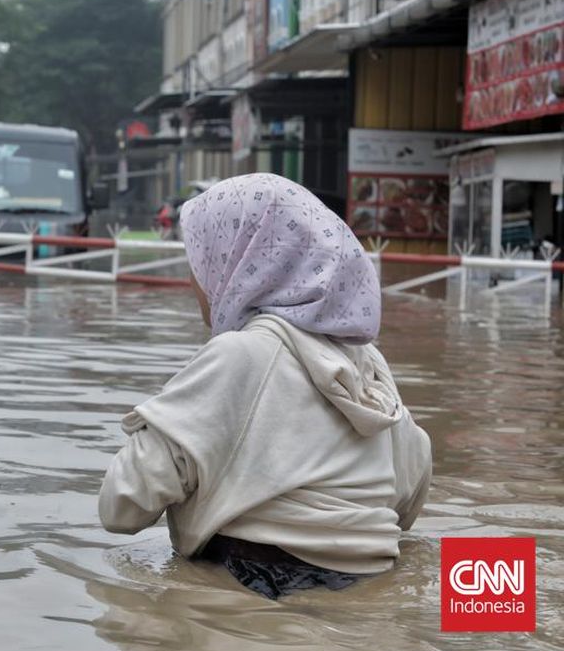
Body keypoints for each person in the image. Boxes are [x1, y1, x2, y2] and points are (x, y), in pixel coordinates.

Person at [98, 173, 432, 599]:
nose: (195, 281)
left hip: (251, 591)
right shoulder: (370, 364)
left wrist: (162, 426)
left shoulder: (239, 356)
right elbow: (408, 492)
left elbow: (122, 505)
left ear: (241, 261)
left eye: (202, 260)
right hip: (372, 591)